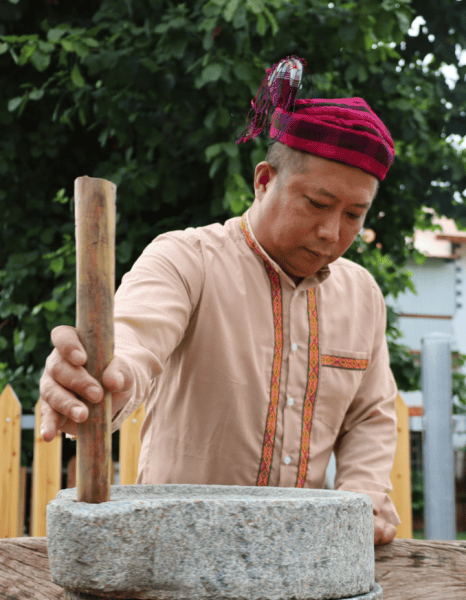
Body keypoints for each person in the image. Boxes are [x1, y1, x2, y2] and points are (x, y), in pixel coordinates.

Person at [39, 57, 401, 544]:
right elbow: (132, 343)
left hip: (302, 560)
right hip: (173, 553)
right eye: (317, 204)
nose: (331, 232)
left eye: (354, 214)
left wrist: (365, 495)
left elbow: (370, 414)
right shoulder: (186, 259)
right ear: (264, 180)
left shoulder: (362, 295)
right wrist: (102, 377)